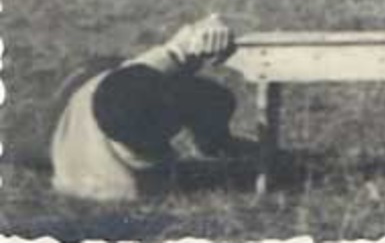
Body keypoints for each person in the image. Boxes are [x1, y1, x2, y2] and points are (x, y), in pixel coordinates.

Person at [49, 14, 245, 201]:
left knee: (211, 98)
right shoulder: (128, 186)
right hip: (64, 109)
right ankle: (215, 141)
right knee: (214, 99)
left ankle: (214, 140)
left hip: (86, 91)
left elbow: (171, 54)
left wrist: (204, 31)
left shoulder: (125, 94)